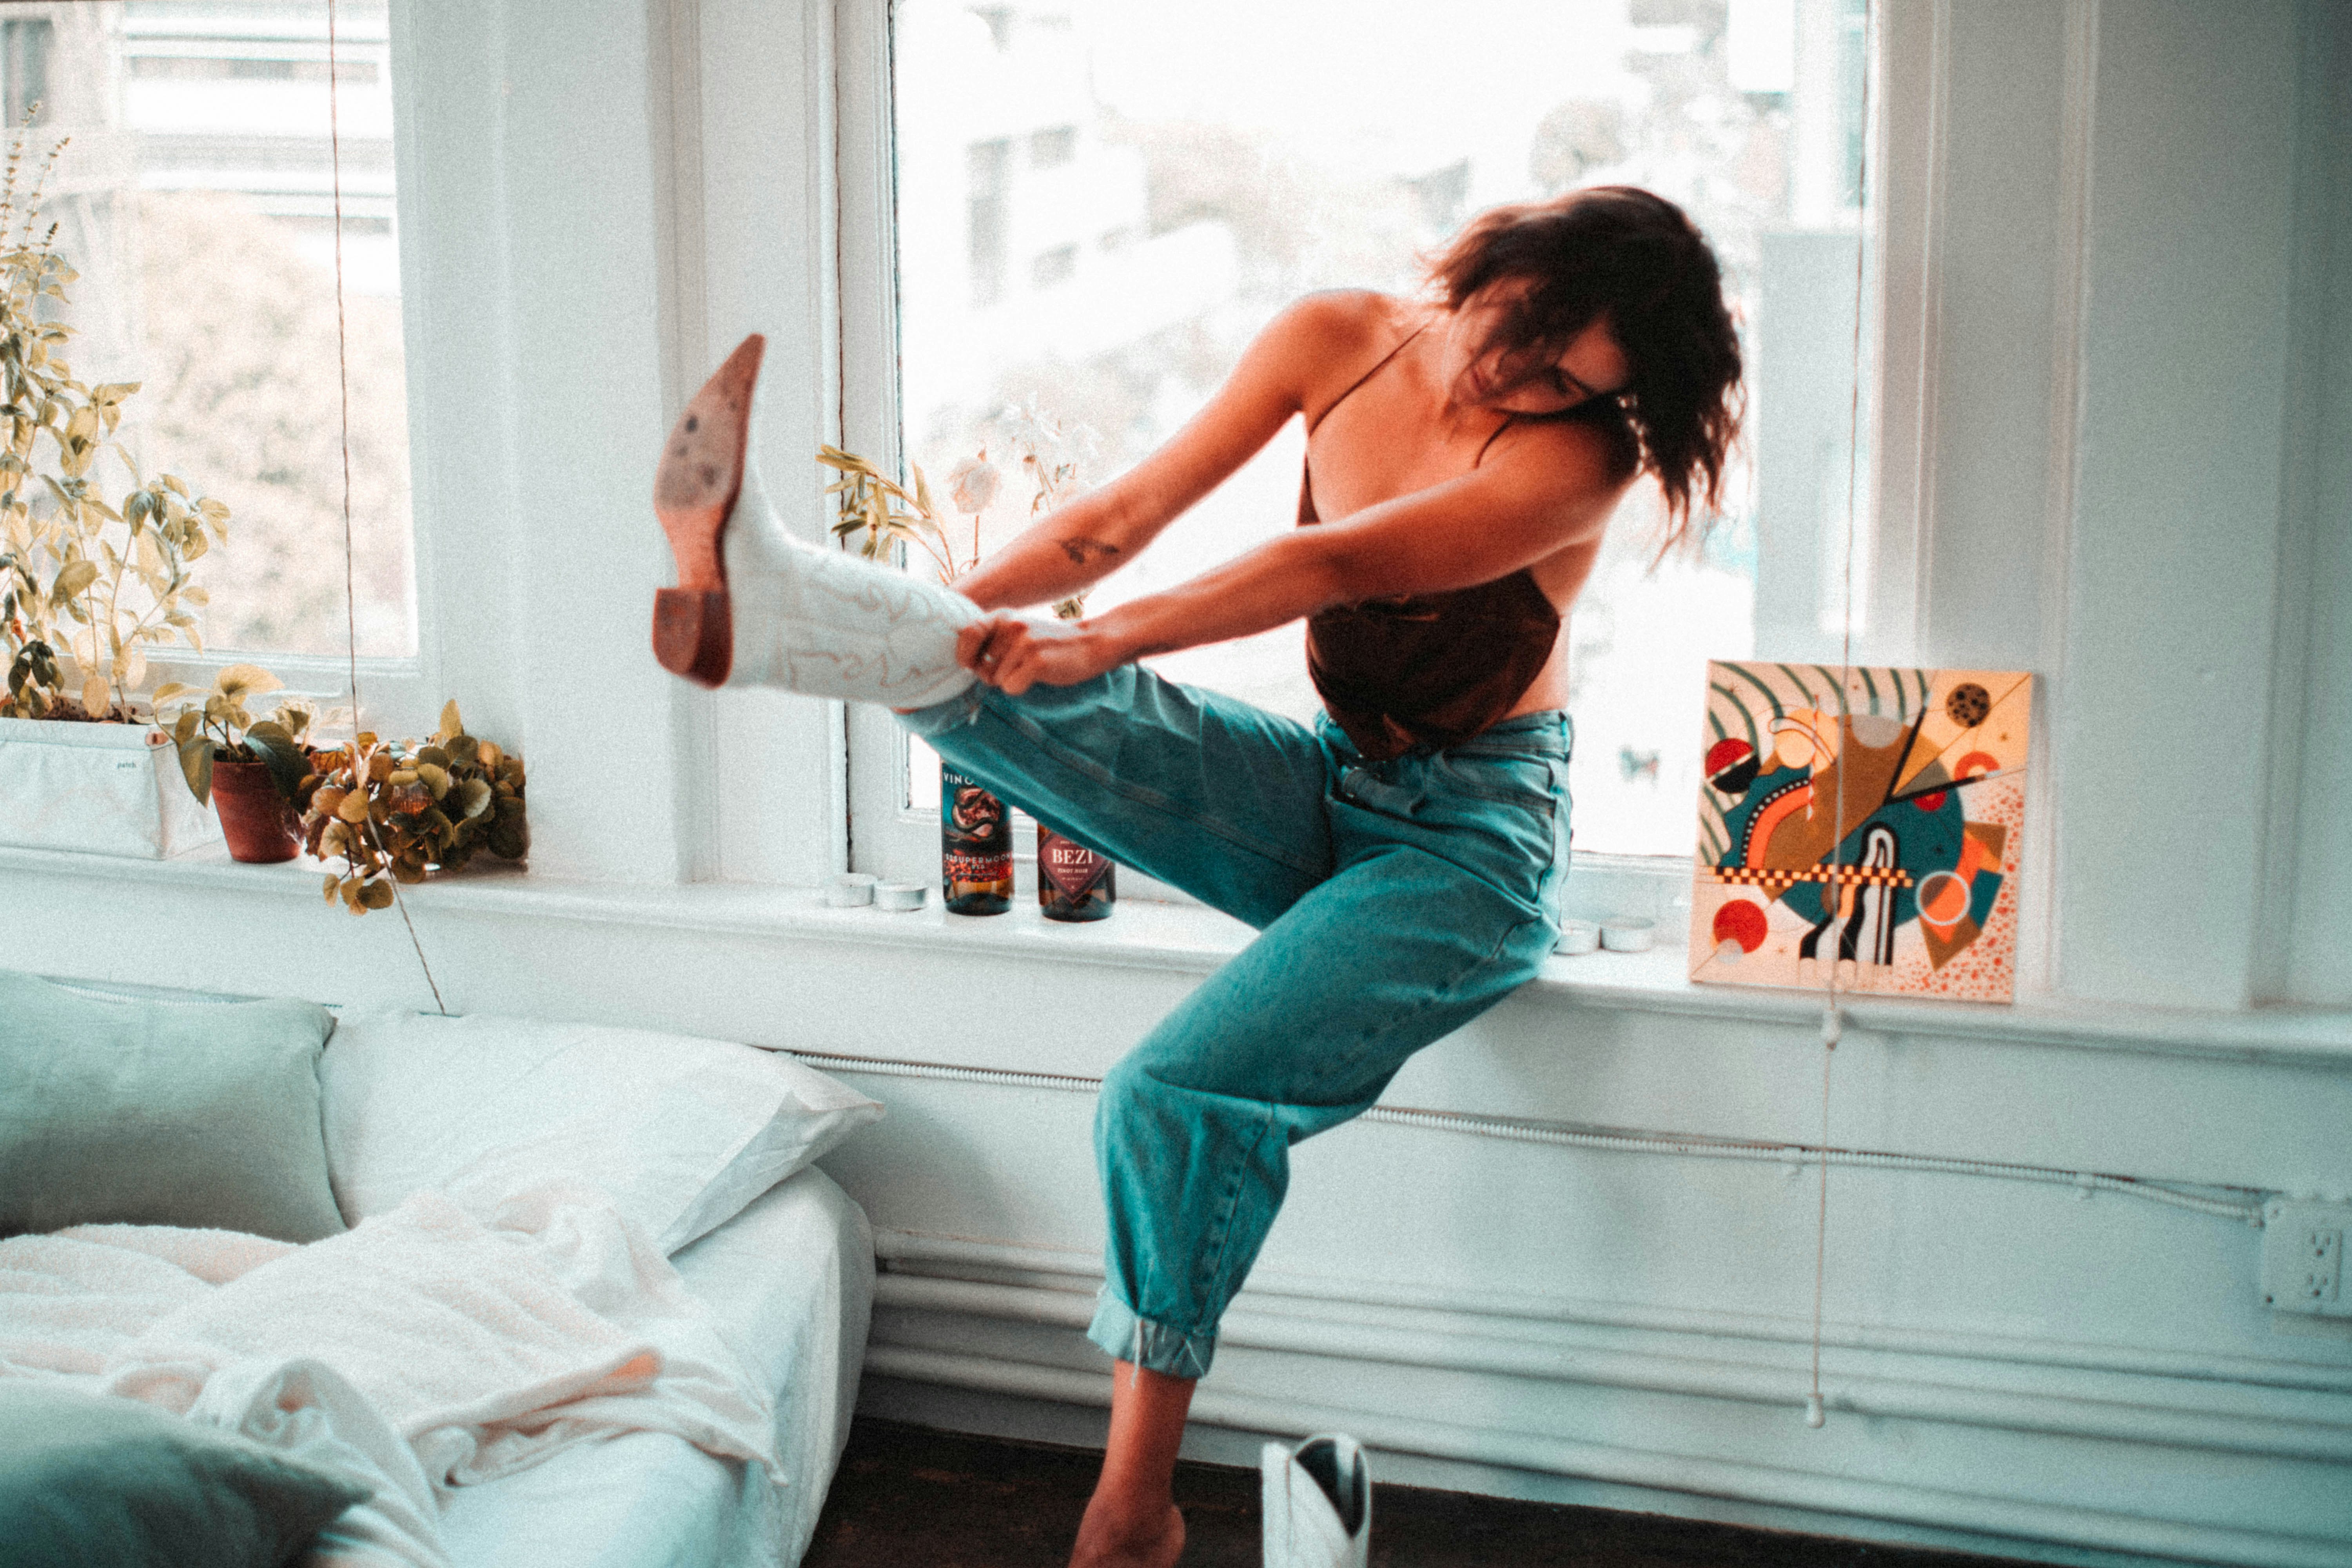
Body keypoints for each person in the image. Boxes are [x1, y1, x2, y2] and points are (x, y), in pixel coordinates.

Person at [652, 184, 1743, 1568]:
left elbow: (1330, 561)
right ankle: (795, 615)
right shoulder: (1335, 336)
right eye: (1530, 342)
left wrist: (1096, 640)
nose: (1524, 385)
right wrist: (952, 625)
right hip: (1339, 787)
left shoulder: (1580, 465)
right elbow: (1118, 520)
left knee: (1172, 1089)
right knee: (1022, 697)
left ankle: (1133, 1513)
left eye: (1572, 384)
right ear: (1503, 266)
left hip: (1474, 852)